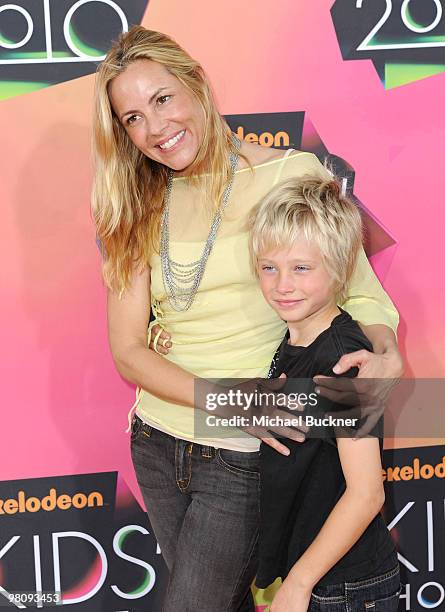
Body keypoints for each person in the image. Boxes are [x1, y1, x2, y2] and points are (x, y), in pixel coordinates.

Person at [91, 25, 402, 612]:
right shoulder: (132, 204)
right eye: (132, 118)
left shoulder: (291, 173)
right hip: (157, 444)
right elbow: (129, 350)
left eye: (162, 99)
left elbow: (361, 293)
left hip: (246, 446)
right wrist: (229, 400)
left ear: (197, 84)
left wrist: (386, 354)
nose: (155, 128)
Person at [248, 176, 400, 612]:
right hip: (319, 579)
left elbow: (366, 492)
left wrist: (298, 584)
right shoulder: (294, 341)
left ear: (338, 269)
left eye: (301, 268)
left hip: (344, 589)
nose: (282, 285)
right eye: (268, 267)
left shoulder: (343, 359)